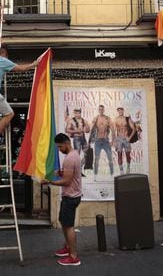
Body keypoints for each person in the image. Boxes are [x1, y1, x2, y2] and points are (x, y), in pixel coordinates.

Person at [0, 44, 38, 166]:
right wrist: (33, 64)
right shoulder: (3, 60)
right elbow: (21, 69)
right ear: (4, 54)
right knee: (9, 113)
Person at [42, 133, 82, 266]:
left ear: (66, 143)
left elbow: (67, 181)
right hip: (71, 196)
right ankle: (68, 248)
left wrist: (50, 182)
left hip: (71, 197)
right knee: (64, 223)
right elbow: (69, 175)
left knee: (69, 226)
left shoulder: (70, 158)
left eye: (60, 146)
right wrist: (60, 173)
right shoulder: (73, 155)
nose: (59, 149)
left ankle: (73, 256)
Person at [91, 105, 115, 181]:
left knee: (110, 158)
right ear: (98, 110)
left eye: (102, 109)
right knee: (96, 159)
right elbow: (92, 130)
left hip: (105, 140)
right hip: (97, 140)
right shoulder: (96, 118)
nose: (101, 110)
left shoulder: (107, 119)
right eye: (99, 109)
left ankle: (112, 174)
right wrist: (91, 140)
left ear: (104, 110)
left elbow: (113, 130)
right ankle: (95, 175)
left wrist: (113, 141)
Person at [65, 108, 90, 175]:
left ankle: (79, 168)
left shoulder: (83, 120)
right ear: (74, 113)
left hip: (83, 138)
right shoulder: (71, 120)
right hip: (76, 138)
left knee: (87, 154)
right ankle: (76, 171)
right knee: (77, 155)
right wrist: (76, 131)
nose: (77, 114)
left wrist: (87, 128)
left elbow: (88, 130)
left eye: (79, 113)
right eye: (76, 113)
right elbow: (67, 130)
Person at [114, 107, 136, 174]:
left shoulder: (127, 119)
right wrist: (115, 141)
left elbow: (134, 129)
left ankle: (128, 168)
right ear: (117, 111)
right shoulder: (116, 119)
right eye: (119, 110)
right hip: (119, 139)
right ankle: (121, 171)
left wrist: (129, 137)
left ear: (123, 111)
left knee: (128, 154)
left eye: (121, 110)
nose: (120, 111)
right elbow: (114, 131)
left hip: (126, 138)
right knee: (119, 154)